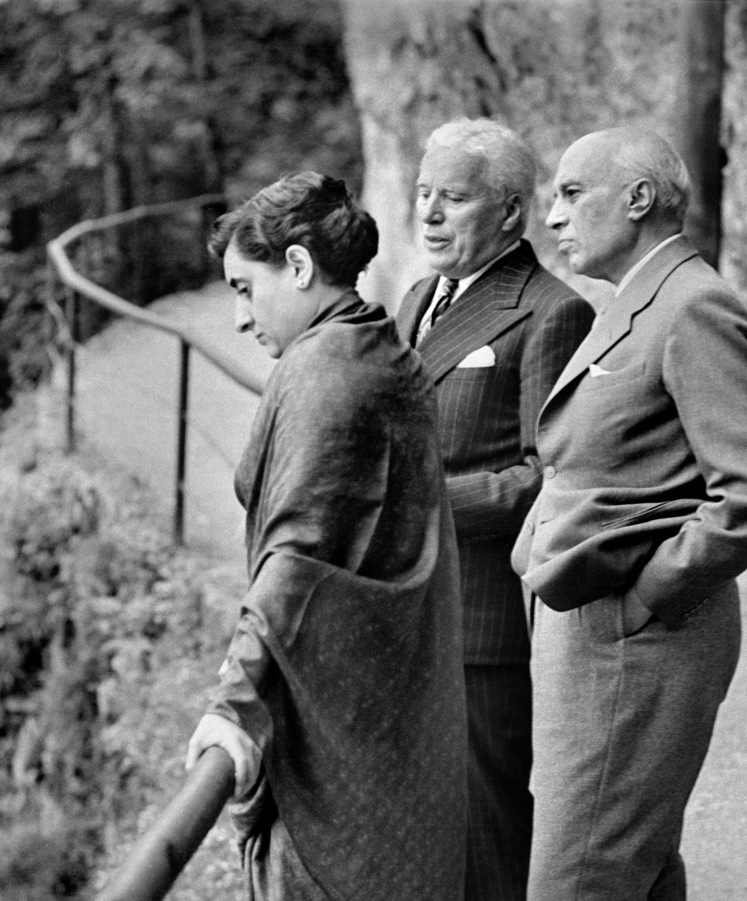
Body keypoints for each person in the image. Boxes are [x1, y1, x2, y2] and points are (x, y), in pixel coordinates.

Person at [511, 127, 747, 900]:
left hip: (634, 643)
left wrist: (648, 595)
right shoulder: (636, 300)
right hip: (597, 636)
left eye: (573, 193)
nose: (553, 215)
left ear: (638, 198)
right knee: (632, 869)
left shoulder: (694, 305)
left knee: (578, 878)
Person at [186, 171, 467, 901]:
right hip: (388, 698)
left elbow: (296, 557)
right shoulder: (378, 345)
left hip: (337, 720)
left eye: (245, 289)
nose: (239, 318)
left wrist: (235, 701)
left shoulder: (326, 373)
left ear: (299, 266)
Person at [395, 118, 594, 901]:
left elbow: (551, 477)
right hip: (407, 610)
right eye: (423, 193)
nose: (429, 213)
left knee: (490, 833)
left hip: (483, 624)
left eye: (453, 197)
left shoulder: (552, 312)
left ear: (511, 211)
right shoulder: (417, 298)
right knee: (422, 829)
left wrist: (415, 507)